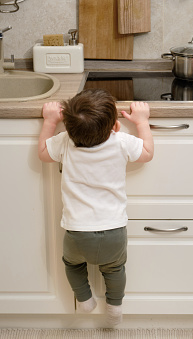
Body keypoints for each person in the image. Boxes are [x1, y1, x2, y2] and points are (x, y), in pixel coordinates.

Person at [38, 88, 154, 326]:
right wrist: (142, 122)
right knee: (114, 271)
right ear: (114, 126)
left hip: (77, 233)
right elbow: (147, 153)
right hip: (113, 231)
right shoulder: (121, 141)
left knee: (72, 264)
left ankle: (85, 300)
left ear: (68, 128)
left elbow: (42, 154)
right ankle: (114, 307)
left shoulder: (65, 142)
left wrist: (50, 121)